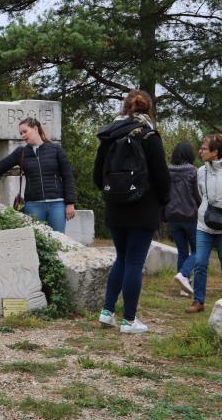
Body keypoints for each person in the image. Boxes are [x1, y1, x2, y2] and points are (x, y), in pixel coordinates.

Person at [93, 90, 170, 333]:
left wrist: (113, 193)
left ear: (125, 108)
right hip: (143, 207)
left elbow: (98, 175)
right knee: (135, 262)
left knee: (122, 258)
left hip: (115, 207)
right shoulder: (149, 136)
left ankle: (107, 312)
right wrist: (162, 202)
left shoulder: (108, 135)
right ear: (148, 109)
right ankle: (128, 319)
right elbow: (161, 176)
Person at [0, 117, 76, 233]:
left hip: (57, 204)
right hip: (33, 206)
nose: (22, 136)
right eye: (20, 133)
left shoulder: (56, 149)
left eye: (25, 132)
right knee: (38, 242)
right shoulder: (21, 152)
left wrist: (70, 203)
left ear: (35, 129)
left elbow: (67, 176)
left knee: (59, 242)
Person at [185, 134, 222, 313]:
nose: (200, 151)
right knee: (200, 263)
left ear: (215, 152)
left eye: (204, 149)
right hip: (204, 225)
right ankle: (198, 301)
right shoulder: (200, 171)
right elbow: (200, 195)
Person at [163, 142, 201, 296]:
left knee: (183, 252)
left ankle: (184, 288)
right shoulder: (193, 171)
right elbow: (197, 195)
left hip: (172, 216)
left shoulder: (167, 170)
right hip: (190, 216)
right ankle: (184, 275)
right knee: (199, 250)